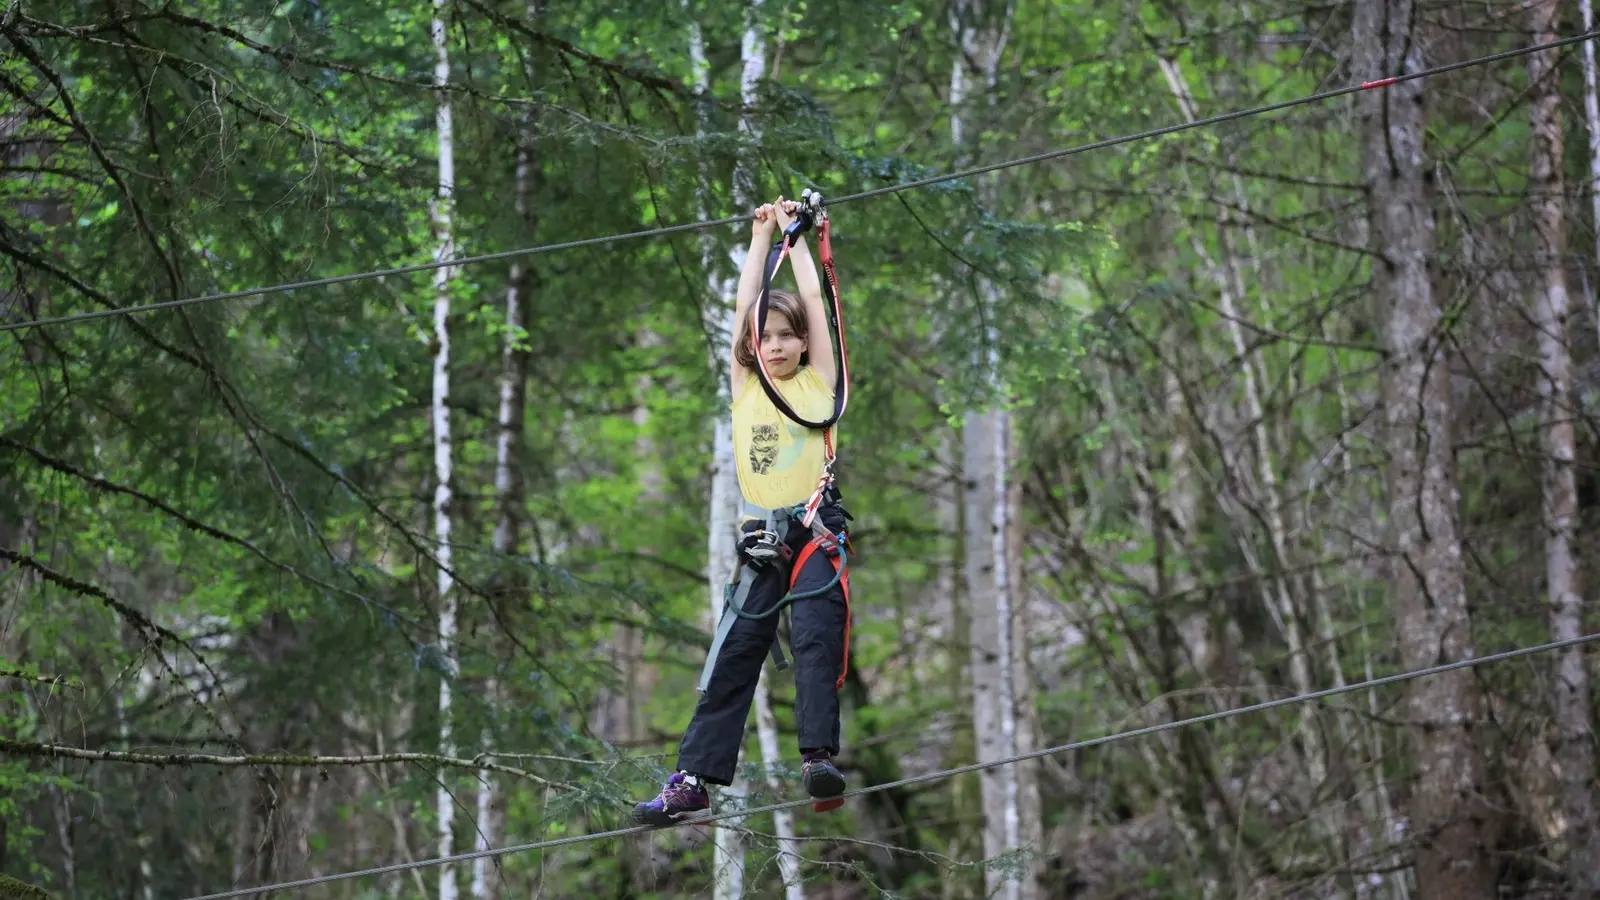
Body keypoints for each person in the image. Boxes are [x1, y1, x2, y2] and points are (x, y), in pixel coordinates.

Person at [632, 196, 852, 826]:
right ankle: (694, 779)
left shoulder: (817, 385)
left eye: (788, 337)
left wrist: (797, 239)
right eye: (768, 337)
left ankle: (817, 757)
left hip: (813, 528)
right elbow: (744, 309)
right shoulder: (746, 386)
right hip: (762, 537)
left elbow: (814, 303)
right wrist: (759, 240)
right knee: (736, 651)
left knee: (815, 631)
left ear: (804, 344)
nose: (777, 345)